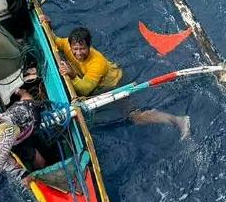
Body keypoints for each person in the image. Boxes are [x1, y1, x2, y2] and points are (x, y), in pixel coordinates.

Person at [54, 25, 191, 139]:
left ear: (89, 46)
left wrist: (72, 75)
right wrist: (45, 22)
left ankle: (178, 120)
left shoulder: (97, 62)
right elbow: (55, 40)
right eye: (75, 49)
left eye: (82, 49)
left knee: (135, 117)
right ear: (70, 46)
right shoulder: (67, 43)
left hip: (114, 86)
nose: (78, 53)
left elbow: (85, 90)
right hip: (95, 82)